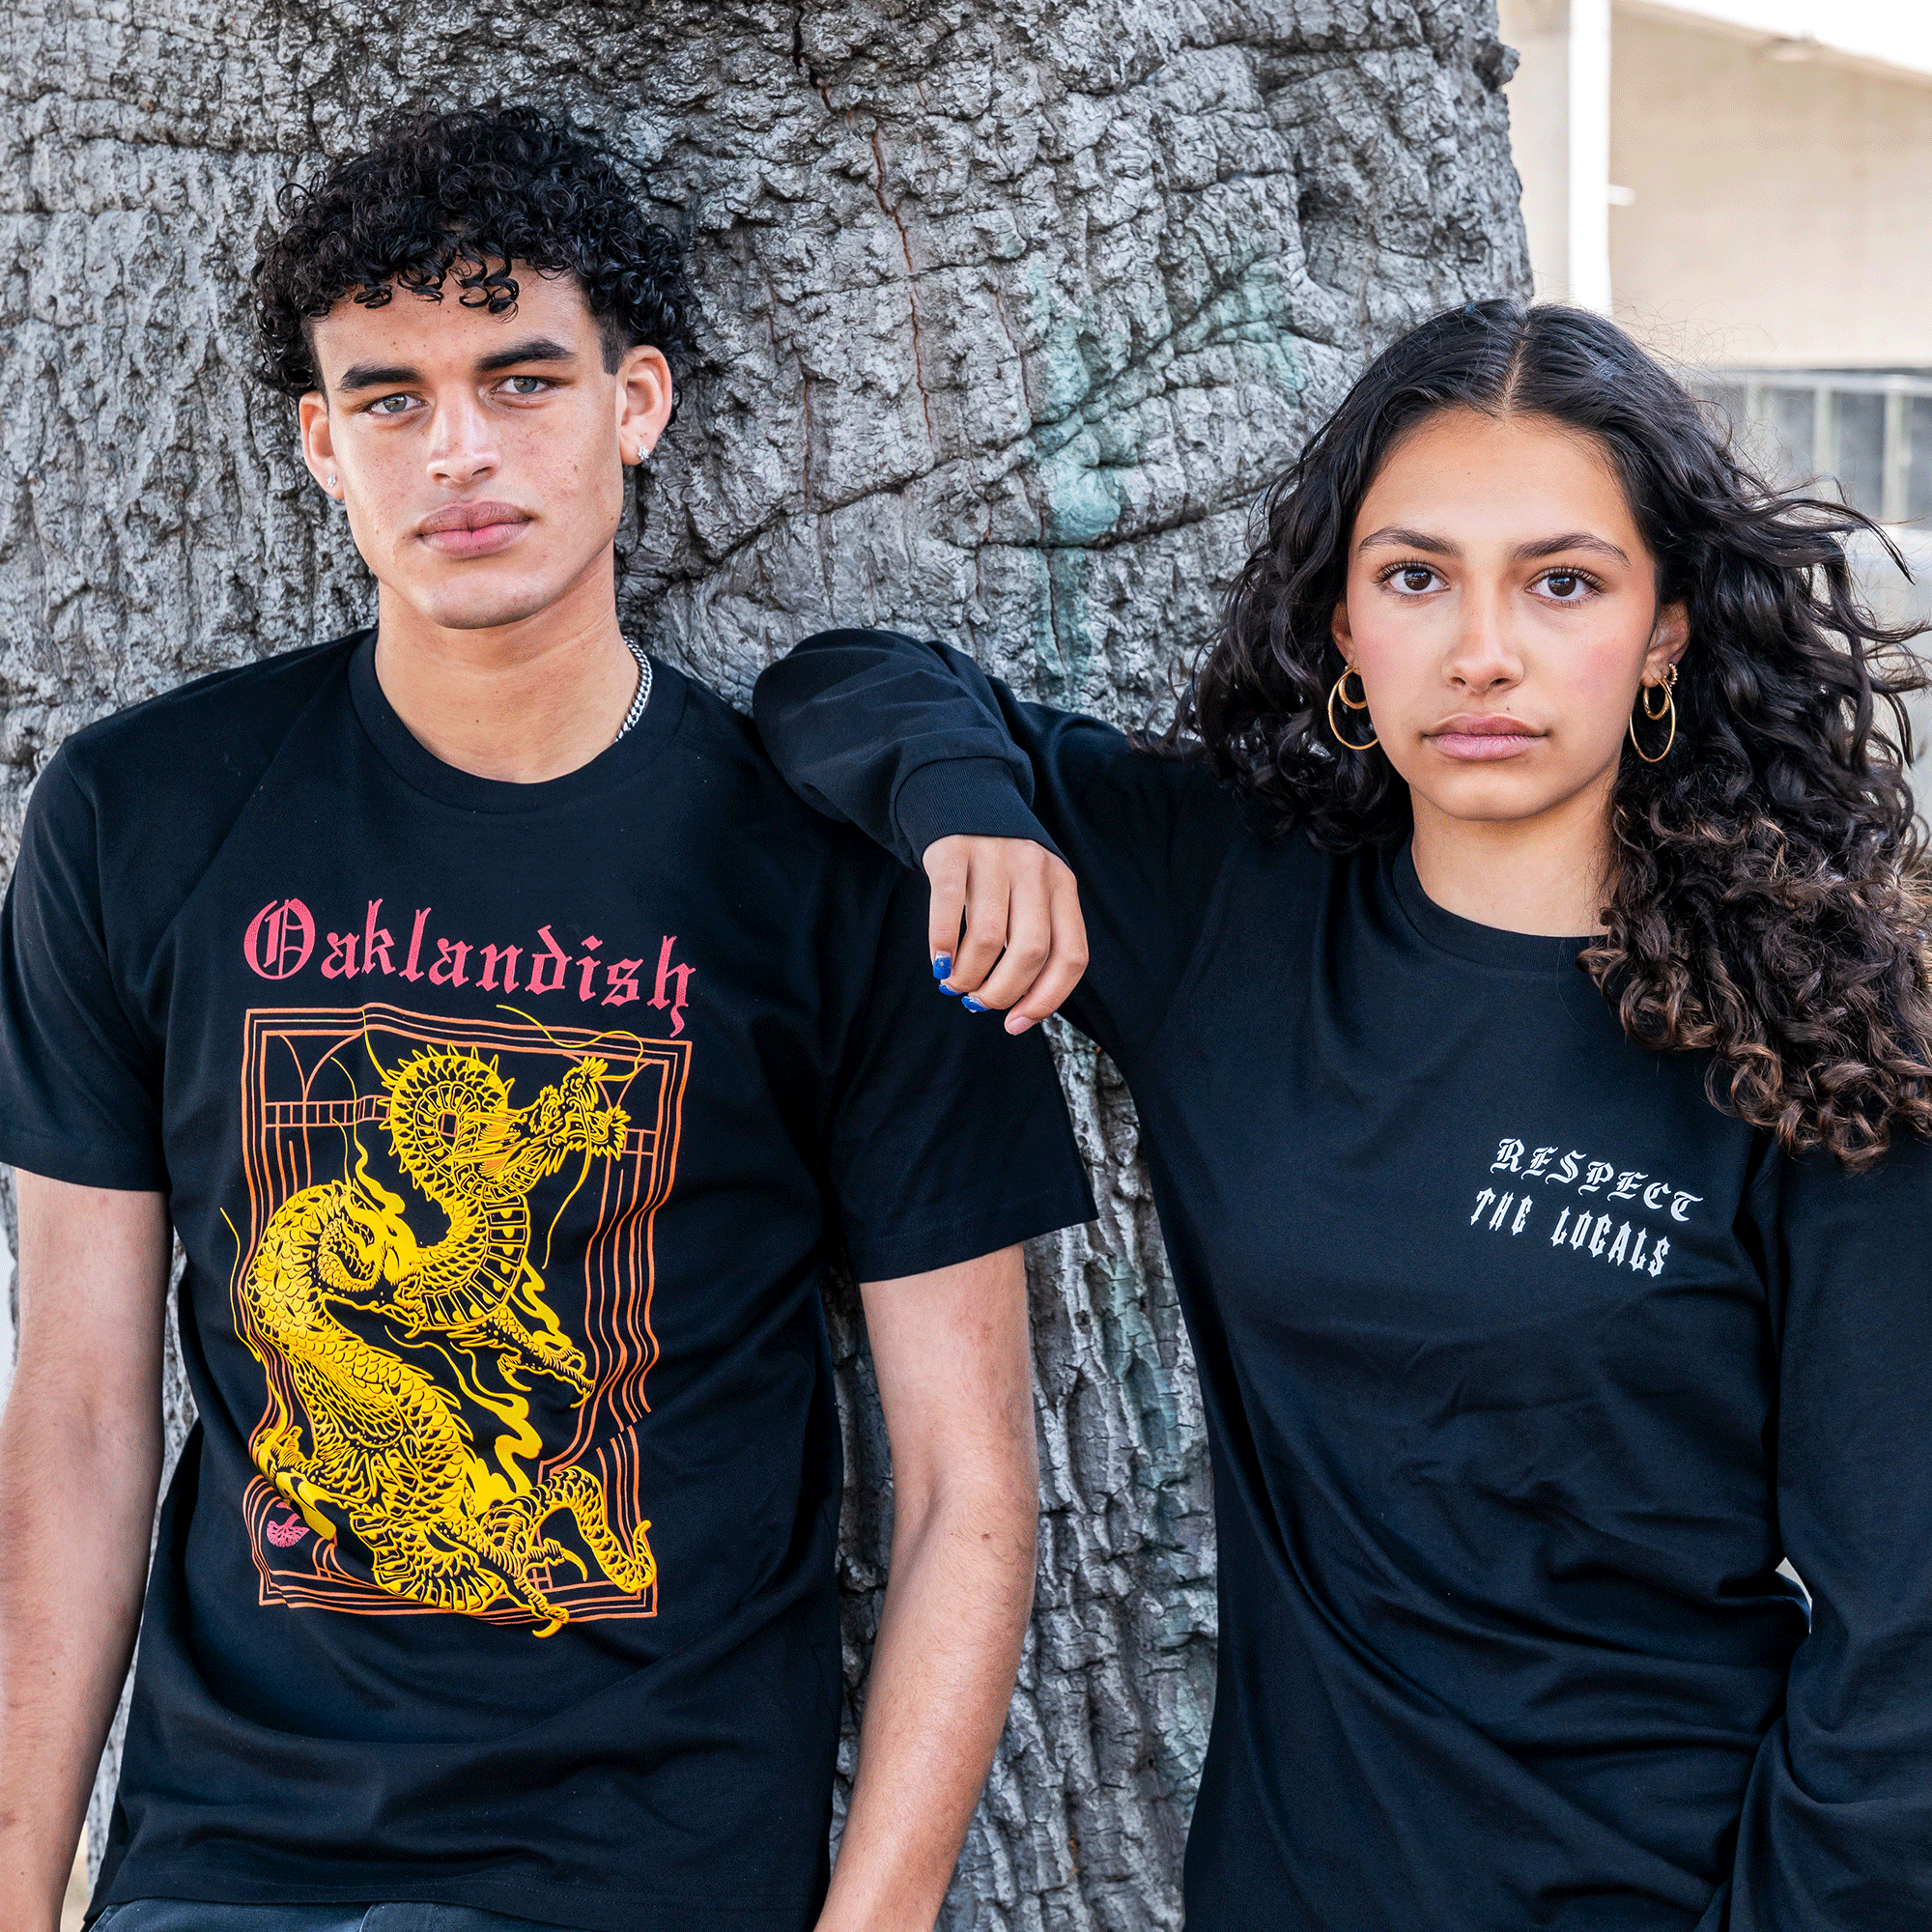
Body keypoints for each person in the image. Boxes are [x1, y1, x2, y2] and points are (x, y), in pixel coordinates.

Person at [0, 105, 1094, 1932]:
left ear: (635, 403)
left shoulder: (829, 872)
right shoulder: (139, 814)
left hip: (648, 1874)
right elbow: (85, 1416)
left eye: (522, 381)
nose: (460, 454)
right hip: (232, 1873)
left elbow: (972, 1480)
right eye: (391, 398)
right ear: (321, 444)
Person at [753, 299, 1932, 1927]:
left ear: (1666, 631)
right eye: (1416, 575)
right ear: (1343, 621)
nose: (1484, 652)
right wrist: (971, 817)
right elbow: (840, 686)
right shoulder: (1228, 908)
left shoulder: (1817, 1051)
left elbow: (1909, 1647)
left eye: (1564, 581)